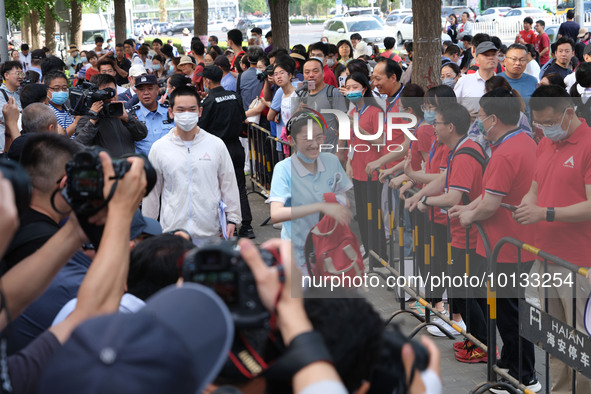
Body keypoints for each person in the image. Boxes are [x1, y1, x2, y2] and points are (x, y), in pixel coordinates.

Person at [451, 89, 540, 392]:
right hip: (514, 243)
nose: (478, 122)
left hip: (506, 245)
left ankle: (523, 374)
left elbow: (489, 204)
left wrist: (468, 216)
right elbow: (491, 197)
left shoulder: (504, 153)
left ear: (493, 118)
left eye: (480, 117)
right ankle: (510, 363)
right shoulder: (524, 141)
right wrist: (468, 207)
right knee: (508, 310)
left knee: (510, 312)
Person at [515, 85, 591, 393]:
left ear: (569, 113)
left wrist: (545, 213)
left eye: (548, 122)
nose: (543, 129)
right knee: (556, 341)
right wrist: (527, 204)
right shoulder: (546, 143)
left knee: (581, 343)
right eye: (538, 123)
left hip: (579, 263)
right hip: (545, 256)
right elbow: (536, 183)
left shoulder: (588, 145)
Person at [143, 86, 241, 246]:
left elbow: (228, 183)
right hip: (173, 233)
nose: (186, 114)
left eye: (192, 109)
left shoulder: (215, 145)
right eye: (180, 110)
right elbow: (151, 192)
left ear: (200, 112)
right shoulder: (159, 148)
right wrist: (149, 229)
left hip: (211, 232)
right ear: (171, 112)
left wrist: (233, 218)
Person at [268, 110, 353, 270]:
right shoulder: (284, 169)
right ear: (291, 140)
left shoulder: (332, 161)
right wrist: (319, 206)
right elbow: (276, 214)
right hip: (297, 254)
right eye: (307, 139)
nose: (315, 144)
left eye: (319, 137)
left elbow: (343, 197)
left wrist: (338, 205)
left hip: (330, 251)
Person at [197, 66, 254, 239]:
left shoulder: (208, 102)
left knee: (221, 189)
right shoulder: (234, 96)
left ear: (207, 80)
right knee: (239, 187)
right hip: (236, 146)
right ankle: (246, 226)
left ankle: (229, 225)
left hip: (217, 149)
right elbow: (242, 117)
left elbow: (201, 128)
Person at [343, 72, 387, 260]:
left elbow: (381, 141)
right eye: (348, 88)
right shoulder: (353, 111)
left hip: (373, 171)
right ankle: (368, 250)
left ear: (364, 89)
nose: (351, 91)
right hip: (357, 170)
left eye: (355, 87)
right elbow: (352, 142)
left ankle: (378, 256)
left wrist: (358, 127)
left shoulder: (375, 112)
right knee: (361, 214)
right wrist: (349, 162)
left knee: (374, 216)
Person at [75, 73, 148, 156]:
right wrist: (92, 122)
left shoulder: (124, 114)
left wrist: (128, 119)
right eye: (106, 93)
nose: (111, 96)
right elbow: (78, 145)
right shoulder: (88, 119)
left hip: (128, 166)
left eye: (113, 92)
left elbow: (142, 134)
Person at [297, 58, 348, 154]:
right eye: (307, 72)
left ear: (323, 73)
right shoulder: (302, 94)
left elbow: (343, 123)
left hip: (329, 152)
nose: (311, 75)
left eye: (315, 71)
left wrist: (339, 152)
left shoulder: (332, 93)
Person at [133, 74, 175, 157]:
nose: (146, 93)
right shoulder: (131, 115)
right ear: (136, 92)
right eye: (141, 90)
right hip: (145, 167)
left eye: (150, 89)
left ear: (157, 90)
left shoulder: (170, 112)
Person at [454, 41, 498, 115]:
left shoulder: (502, 82)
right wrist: (464, 116)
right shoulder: (464, 81)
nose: (491, 58)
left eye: (493, 55)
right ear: (477, 59)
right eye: (486, 55)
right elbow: (453, 107)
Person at [45, 71, 82, 137]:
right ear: (47, 90)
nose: (61, 91)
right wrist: (76, 122)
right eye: (56, 88)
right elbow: (60, 138)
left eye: (64, 88)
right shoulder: (47, 112)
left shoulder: (65, 107)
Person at [0, 60, 23, 152]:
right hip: (5, 142)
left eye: (22, 74)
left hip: (19, 138)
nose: (21, 77)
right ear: (6, 75)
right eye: (18, 74)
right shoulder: (1, 94)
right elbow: (3, 117)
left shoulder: (20, 93)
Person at [239, 46, 265, 111]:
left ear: (248, 59)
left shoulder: (242, 75)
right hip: (262, 112)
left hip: (246, 112)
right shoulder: (265, 75)